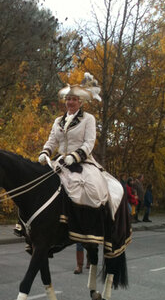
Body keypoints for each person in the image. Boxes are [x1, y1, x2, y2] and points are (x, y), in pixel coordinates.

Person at [38, 74, 123, 216]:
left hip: (82, 161)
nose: (70, 102)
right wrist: (45, 152)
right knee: (41, 182)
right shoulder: (58, 121)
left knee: (90, 189)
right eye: (68, 99)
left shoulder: (88, 119)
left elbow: (89, 143)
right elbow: (52, 141)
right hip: (60, 161)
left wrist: (75, 156)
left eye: (74, 100)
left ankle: (87, 220)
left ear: (80, 102)